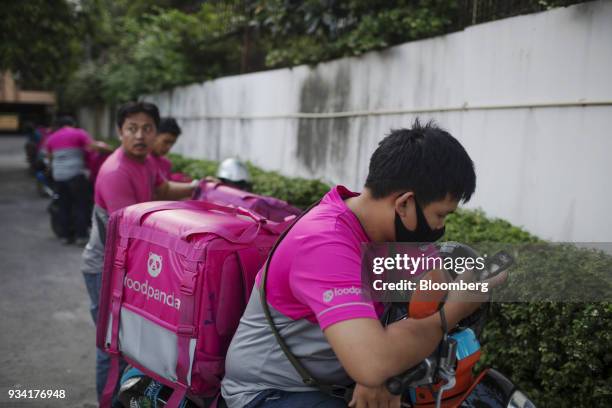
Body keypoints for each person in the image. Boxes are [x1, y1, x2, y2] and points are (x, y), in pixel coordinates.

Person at [220, 120, 507, 408]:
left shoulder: (395, 233)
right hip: (270, 392)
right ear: (405, 203)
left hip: (334, 382)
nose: (440, 227)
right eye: (441, 215)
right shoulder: (325, 242)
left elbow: (431, 295)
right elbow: (373, 362)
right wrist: (455, 310)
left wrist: (383, 367)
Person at [80, 101, 196, 403]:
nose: (140, 135)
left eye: (147, 128)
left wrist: (201, 187)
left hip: (127, 267)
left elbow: (162, 190)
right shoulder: (116, 172)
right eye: (132, 128)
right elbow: (130, 237)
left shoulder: (147, 162)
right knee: (111, 346)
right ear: (120, 132)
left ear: (155, 132)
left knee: (129, 345)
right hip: (104, 270)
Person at [45, 115, 111, 245]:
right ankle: (81, 236)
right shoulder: (79, 133)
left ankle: (65, 236)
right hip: (75, 175)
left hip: (58, 176)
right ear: (73, 124)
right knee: (81, 205)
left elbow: (50, 157)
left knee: (64, 206)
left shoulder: (51, 138)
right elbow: (92, 147)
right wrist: (110, 149)